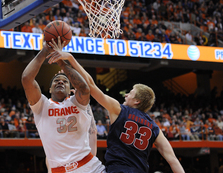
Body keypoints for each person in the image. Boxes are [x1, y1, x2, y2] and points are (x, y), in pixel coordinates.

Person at [47, 37, 185, 173]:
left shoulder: (119, 110)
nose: (126, 95)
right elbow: (172, 159)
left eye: (130, 93)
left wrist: (70, 59)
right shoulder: (154, 127)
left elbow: (90, 85)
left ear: (137, 101)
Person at [21, 40, 105, 173]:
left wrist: (60, 61)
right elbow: (27, 79)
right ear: (49, 89)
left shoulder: (77, 102)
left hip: (90, 166)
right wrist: (44, 51)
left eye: (65, 81)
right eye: (56, 80)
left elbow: (84, 87)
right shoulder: (41, 105)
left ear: (71, 88)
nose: (60, 81)